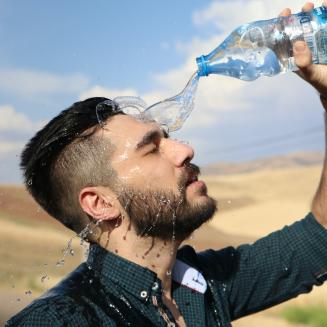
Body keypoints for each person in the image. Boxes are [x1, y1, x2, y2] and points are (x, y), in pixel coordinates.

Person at [6, 3, 327, 327]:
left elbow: (319, 240)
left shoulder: (202, 283)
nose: (185, 150)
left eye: (169, 137)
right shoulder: (61, 321)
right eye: (151, 149)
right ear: (101, 203)